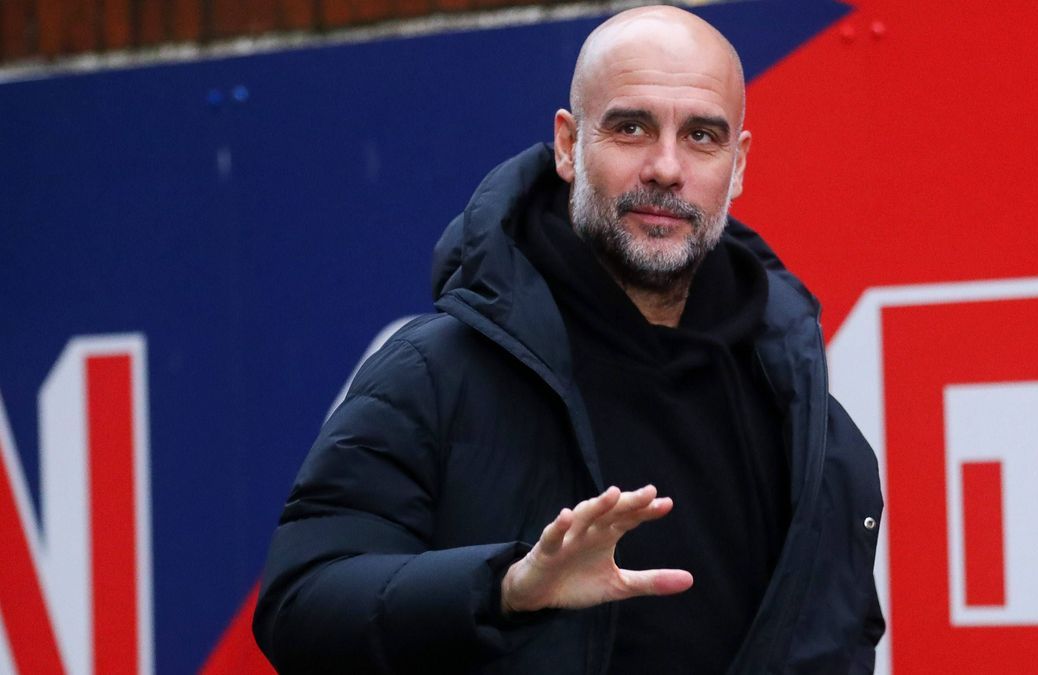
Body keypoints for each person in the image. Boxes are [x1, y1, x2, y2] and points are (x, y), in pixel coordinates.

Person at [253, 5, 884, 673]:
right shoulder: (433, 375)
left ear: (739, 164)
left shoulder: (805, 422)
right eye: (631, 127)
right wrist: (502, 588)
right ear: (567, 144)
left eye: (701, 135)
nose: (666, 168)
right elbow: (300, 603)